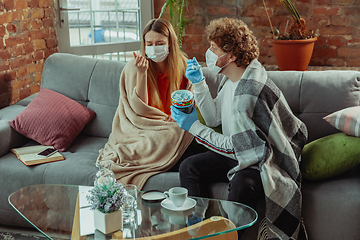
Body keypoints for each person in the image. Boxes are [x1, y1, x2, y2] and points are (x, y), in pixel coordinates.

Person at [171, 18, 309, 239]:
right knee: (190, 166)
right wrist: (198, 83)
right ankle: (196, 229)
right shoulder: (232, 77)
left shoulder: (248, 92)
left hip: (261, 158)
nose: (209, 52)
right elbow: (214, 117)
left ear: (231, 55)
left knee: (242, 184)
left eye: (214, 49)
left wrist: (193, 127)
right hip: (239, 149)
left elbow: (236, 147)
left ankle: (231, 236)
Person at [97, 18, 203, 190]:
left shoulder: (182, 65)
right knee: (170, 136)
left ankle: (180, 161)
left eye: (160, 43)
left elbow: (191, 101)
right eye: (150, 43)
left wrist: (176, 116)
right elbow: (138, 110)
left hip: (173, 124)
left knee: (186, 131)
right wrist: (142, 73)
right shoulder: (134, 67)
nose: (154, 47)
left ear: (170, 43)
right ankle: (172, 160)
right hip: (144, 128)